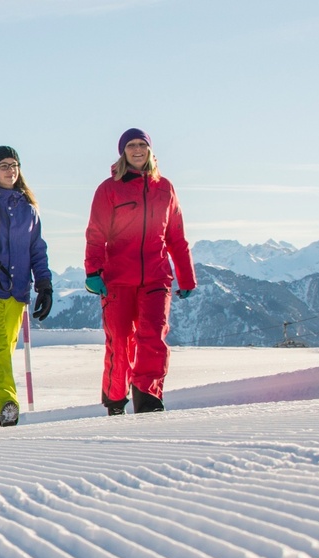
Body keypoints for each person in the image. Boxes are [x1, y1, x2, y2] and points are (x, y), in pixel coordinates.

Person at [84, 128, 197, 416]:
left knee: (152, 338)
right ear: (123, 152)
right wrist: (93, 271)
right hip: (117, 279)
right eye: (131, 145)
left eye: (142, 145)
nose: (137, 150)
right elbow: (96, 233)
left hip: (157, 278)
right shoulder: (109, 189)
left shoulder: (165, 188)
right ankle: (115, 399)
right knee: (119, 342)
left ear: (150, 150)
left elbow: (176, 236)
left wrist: (186, 276)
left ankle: (148, 398)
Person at [0, 145, 53, 429]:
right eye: (3, 165)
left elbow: (36, 248)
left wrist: (44, 282)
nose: (10, 170)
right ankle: (7, 405)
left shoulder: (29, 208)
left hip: (17, 292)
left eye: (14, 164)